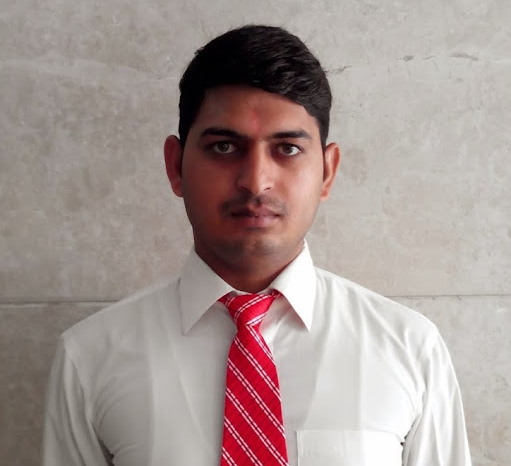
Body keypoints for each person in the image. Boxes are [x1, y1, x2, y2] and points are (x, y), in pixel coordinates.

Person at [42, 25, 472, 466]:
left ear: (327, 172)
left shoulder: (410, 349)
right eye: (224, 146)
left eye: (287, 149)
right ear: (176, 166)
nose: (255, 181)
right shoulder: (90, 357)